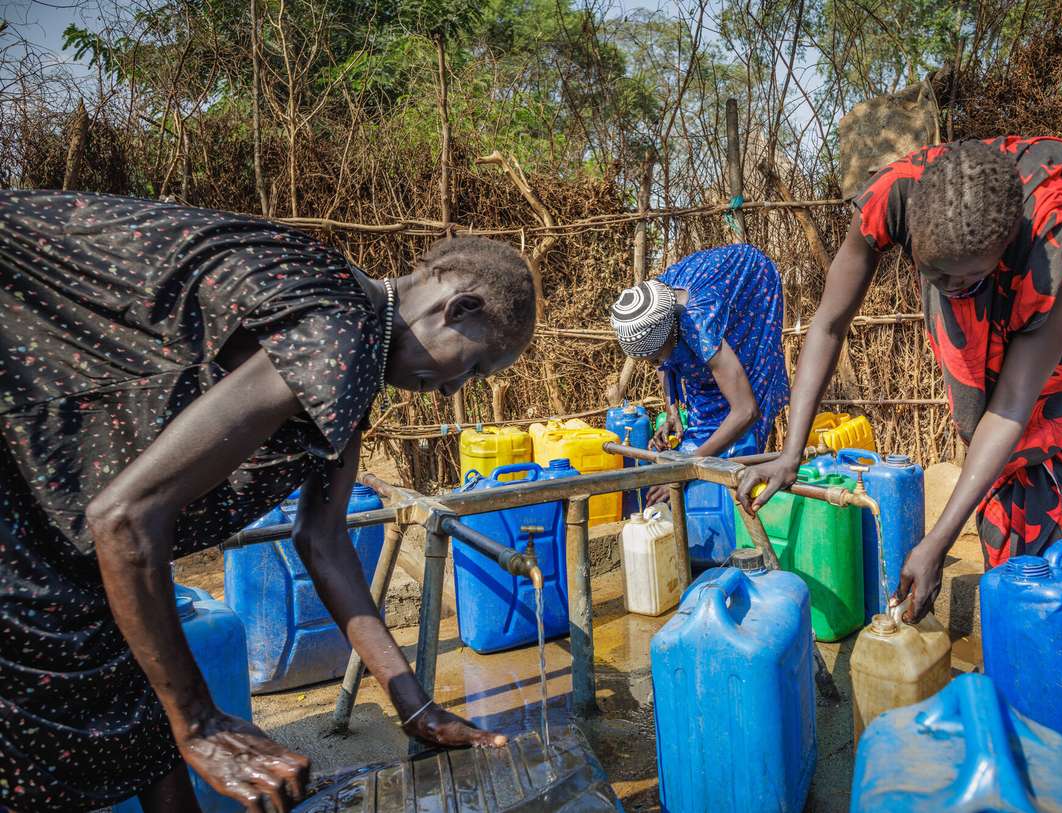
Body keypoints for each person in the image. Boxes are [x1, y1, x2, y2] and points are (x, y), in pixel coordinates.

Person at [0, 191, 536, 813]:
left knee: (143, 721)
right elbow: (124, 518)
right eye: (474, 368)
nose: (453, 393)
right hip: (26, 508)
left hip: (52, 508)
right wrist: (199, 721)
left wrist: (414, 706)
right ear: (458, 309)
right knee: (57, 743)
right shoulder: (338, 329)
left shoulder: (342, 331)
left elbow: (324, 540)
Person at [738, 136, 1062, 623]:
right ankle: (1016, 598)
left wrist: (937, 540)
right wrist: (791, 452)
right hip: (979, 250)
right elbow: (829, 322)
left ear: (1000, 251)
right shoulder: (895, 197)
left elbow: (1015, 404)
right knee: (979, 413)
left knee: (1058, 425)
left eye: (965, 280)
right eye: (932, 272)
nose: (949, 291)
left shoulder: (1053, 237)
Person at [610, 242, 788, 509]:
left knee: (744, 391)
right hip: (704, 295)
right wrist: (672, 410)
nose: (655, 365)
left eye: (656, 356)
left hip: (752, 284)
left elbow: (746, 410)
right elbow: (665, 362)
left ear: (672, 333)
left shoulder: (699, 323)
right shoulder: (653, 306)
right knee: (704, 391)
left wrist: (689, 465)